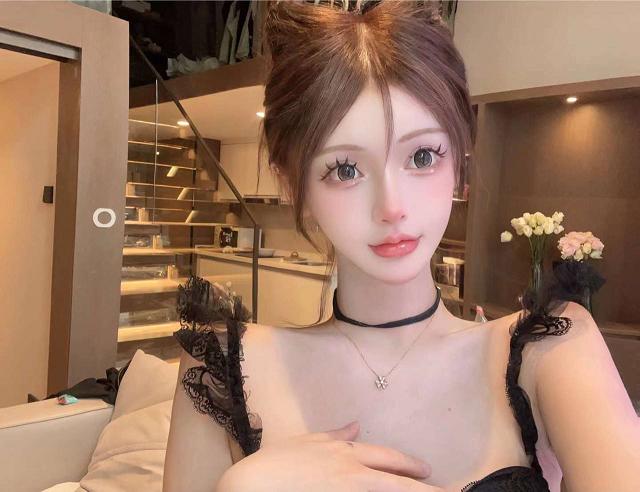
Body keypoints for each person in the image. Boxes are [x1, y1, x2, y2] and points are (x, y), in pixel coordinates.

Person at [163, 1, 640, 491]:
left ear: (458, 159)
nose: (392, 207)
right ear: (291, 183)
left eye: (422, 156)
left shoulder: (550, 350)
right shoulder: (220, 368)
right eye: (345, 169)